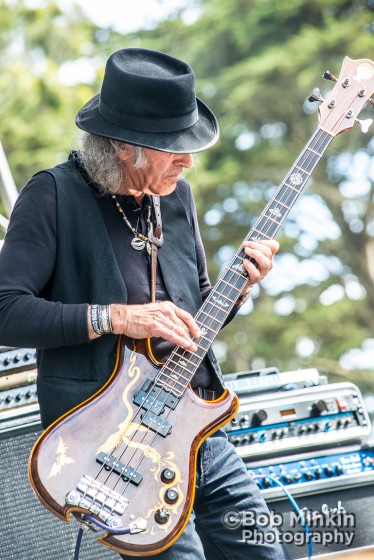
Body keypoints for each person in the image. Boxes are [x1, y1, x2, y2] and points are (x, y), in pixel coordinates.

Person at [0, 48, 288, 559]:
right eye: (174, 147)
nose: (189, 160)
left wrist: (239, 287)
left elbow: (197, 316)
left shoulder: (176, 196)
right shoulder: (51, 195)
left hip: (195, 426)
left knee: (263, 550)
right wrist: (116, 317)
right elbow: (5, 310)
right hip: (111, 442)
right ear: (127, 148)